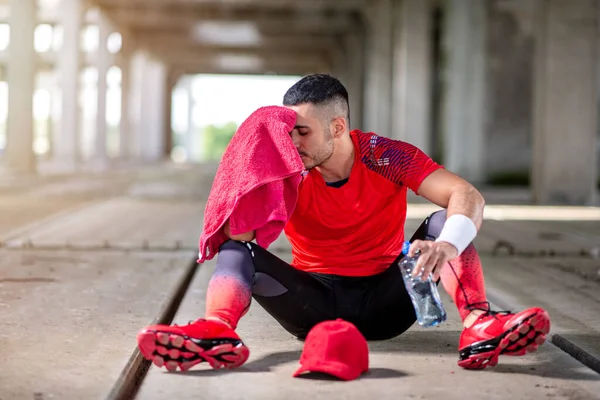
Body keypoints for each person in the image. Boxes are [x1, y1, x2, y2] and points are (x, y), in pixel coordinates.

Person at [136, 74, 550, 372]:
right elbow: (240, 239)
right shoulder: (285, 168)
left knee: (446, 220)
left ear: (337, 126)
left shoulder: (385, 155)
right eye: (288, 132)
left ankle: (479, 327)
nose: (293, 143)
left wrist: (449, 245)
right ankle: (217, 331)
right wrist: (252, 158)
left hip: (388, 302)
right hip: (311, 305)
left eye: (302, 132)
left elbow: (468, 196)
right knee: (234, 249)